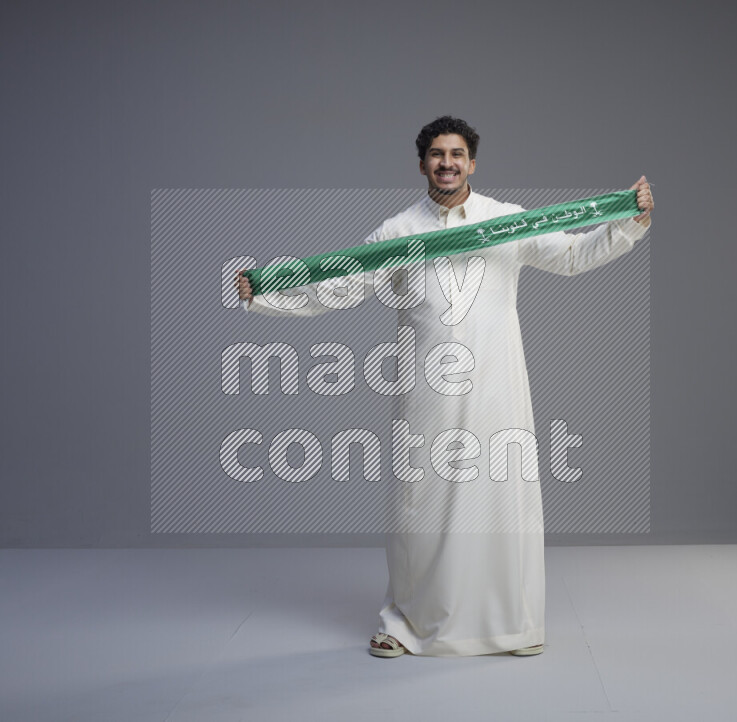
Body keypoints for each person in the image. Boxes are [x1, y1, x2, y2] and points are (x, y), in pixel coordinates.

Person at [237, 116, 654, 658]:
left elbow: (573, 255)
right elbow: (341, 285)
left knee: (500, 499)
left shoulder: (506, 221)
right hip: (426, 390)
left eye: (457, 154)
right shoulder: (399, 232)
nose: (447, 163)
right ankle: (406, 623)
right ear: (422, 165)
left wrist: (629, 220)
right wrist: (265, 292)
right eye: (437, 154)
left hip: (497, 387)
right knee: (421, 504)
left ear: (472, 163)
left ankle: (512, 624)